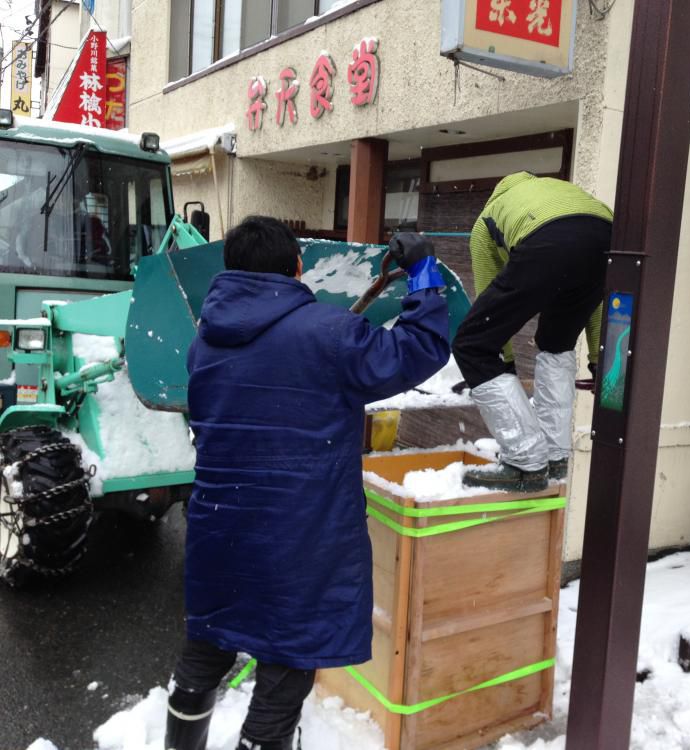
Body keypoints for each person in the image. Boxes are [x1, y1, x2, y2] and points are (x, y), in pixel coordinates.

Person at [164, 218, 449, 750]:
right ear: (297, 268)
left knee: (204, 650)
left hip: (218, 529)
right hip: (297, 537)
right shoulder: (330, 333)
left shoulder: (205, 341)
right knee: (285, 664)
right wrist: (424, 273)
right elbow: (416, 351)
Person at [453, 172, 612, 492]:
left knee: (471, 344)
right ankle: (555, 456)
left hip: (546, 239)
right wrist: (598, 359)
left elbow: (488, 309)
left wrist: (503, 364)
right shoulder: (554, 192)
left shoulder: (487, 221)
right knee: (556, 341)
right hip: (608, 236)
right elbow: (595, 302)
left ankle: (525, 463)